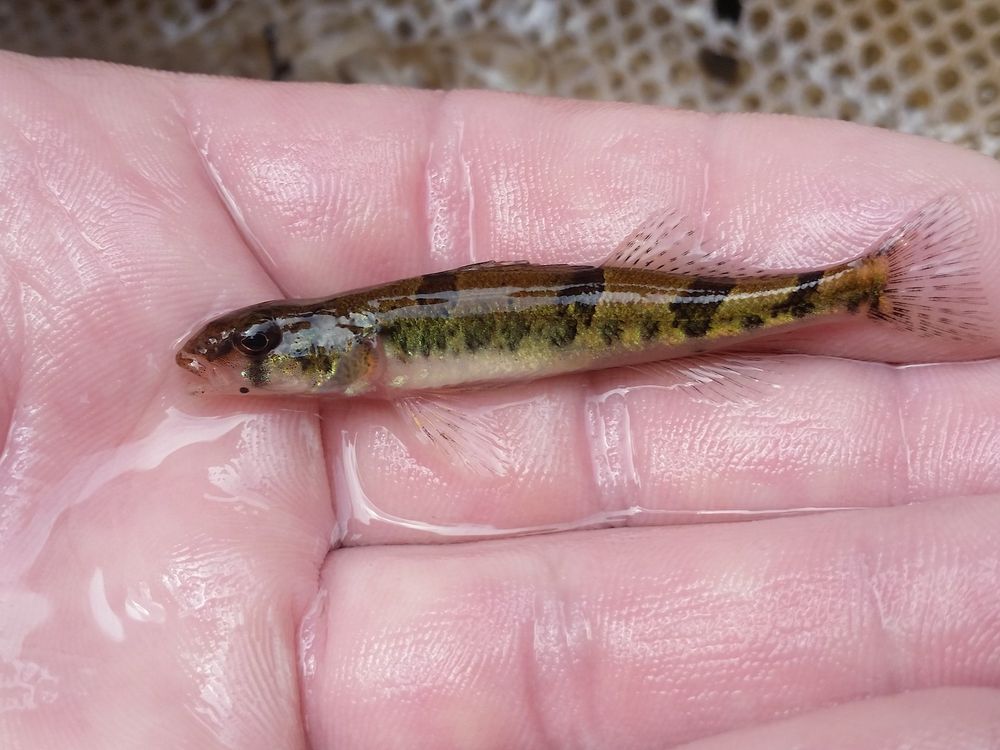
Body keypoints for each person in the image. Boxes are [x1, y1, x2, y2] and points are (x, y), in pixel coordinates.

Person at [0, 51, 998, 749]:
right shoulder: (365, 352)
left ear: (329, 348)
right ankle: (861, 286)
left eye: (262, 350)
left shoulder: (371, 347)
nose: (245, 365)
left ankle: (863, 286)